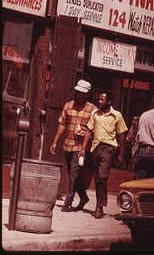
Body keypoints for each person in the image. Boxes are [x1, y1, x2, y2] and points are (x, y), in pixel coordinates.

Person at [78, 91, 128, 219]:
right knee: (97, 178)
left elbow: (122, 134)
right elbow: (89, 131)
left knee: (102, 176)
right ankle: (99, 204)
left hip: (108, 148)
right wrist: (83, 149)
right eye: (98, 99)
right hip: (95, 148)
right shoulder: (95, 114)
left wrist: (121, 154)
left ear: (109, 102)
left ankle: (99, 207)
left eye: (102, 100)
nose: (99, 102)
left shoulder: (117, 115)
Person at [50, 79, 96, 212]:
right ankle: (83, 197)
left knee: (74, 174)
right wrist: (55, 141)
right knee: (72, 174)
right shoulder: (68, 106)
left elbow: (95, 129)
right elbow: (62, 124)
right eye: (78, 93)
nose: (80, 96)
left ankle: (68, 202)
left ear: (87, 94)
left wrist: (86, 136)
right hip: (68, 145)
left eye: (83, 94)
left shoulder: (93, 109)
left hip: (81, 148)